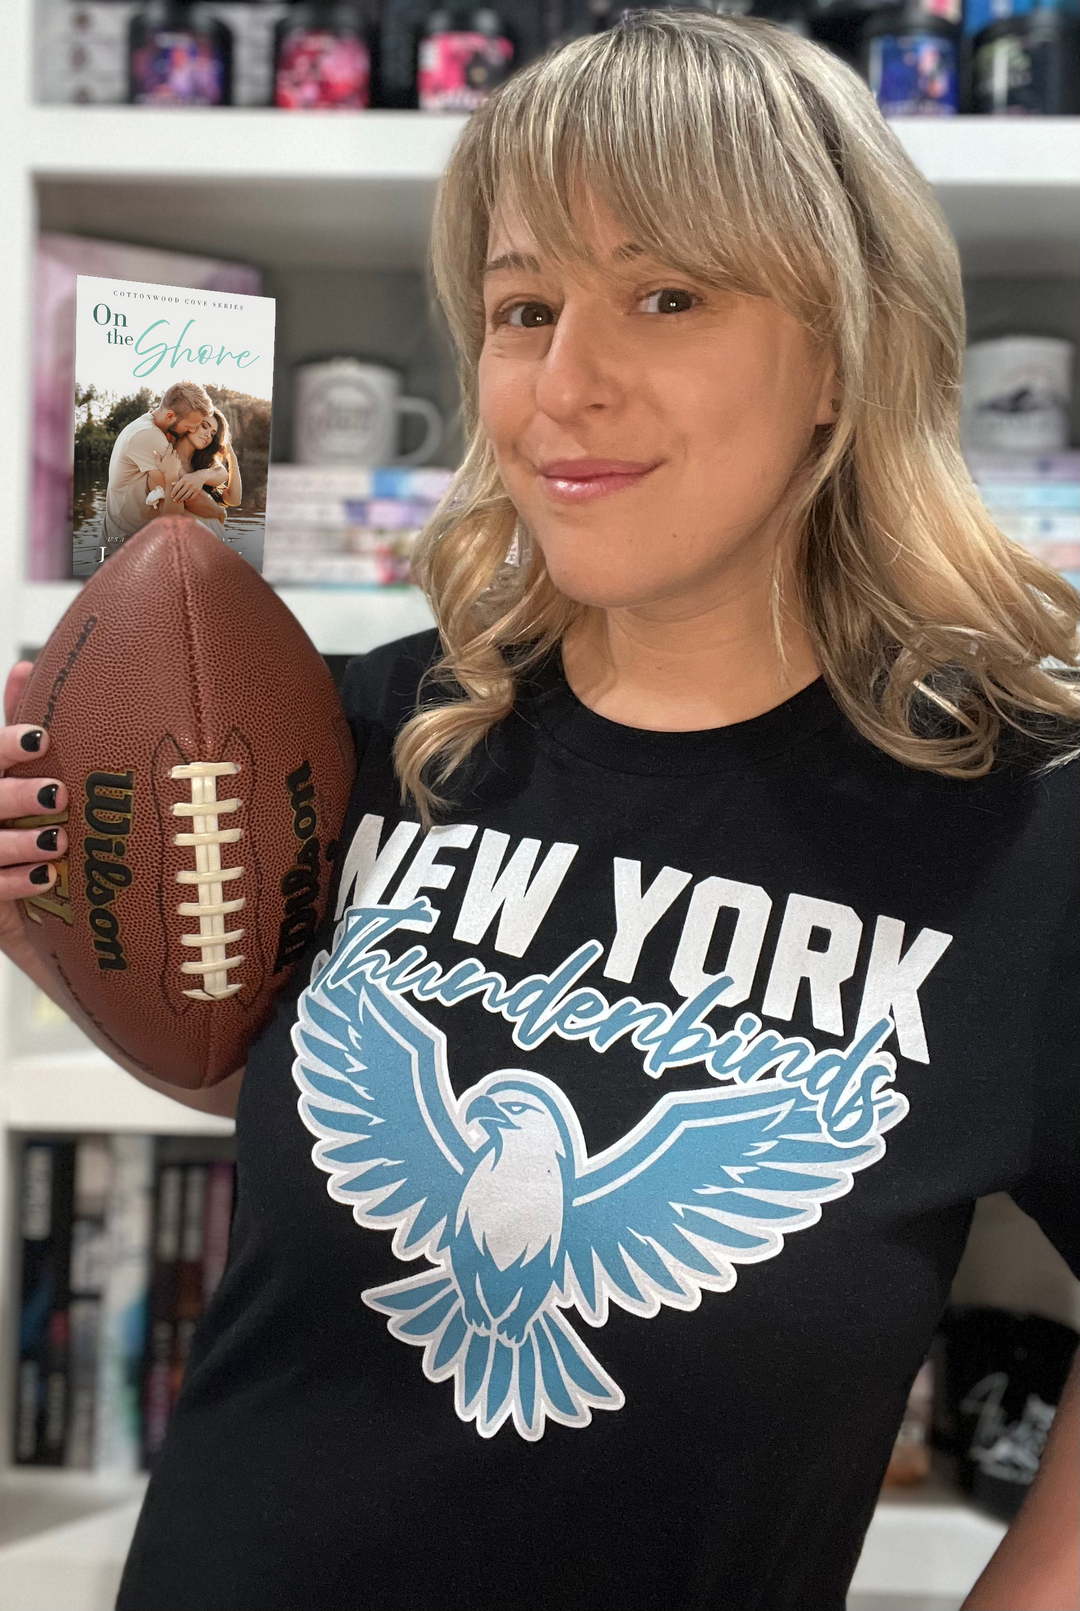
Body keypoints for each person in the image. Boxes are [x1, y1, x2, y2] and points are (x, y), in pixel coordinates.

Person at [1, 13, 1077, 1610]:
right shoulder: (352, 724)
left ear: (847, 353)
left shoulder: (1021, 830)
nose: (565, 383)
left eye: (666, 293)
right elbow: (279, 1089)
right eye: (522, 307)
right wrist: (61, 907)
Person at [101, 380, 217, 542]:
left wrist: (202, 475)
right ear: (170, 416)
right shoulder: (148, 435)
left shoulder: (152, 427)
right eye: (190, 425)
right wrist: (219, 512)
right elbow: (186, 495)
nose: (192, 430)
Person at [146, 408, 243, 528]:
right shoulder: (166, 461)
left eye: (213, 434)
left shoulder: (202, 466)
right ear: (191, 424)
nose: (208, 435)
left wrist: (232, 457)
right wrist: (219, 512)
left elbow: (233, 499)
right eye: (204, 426)